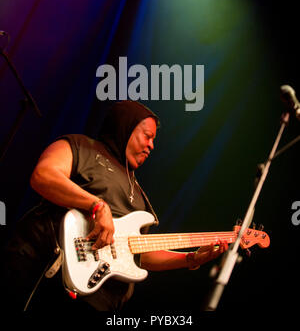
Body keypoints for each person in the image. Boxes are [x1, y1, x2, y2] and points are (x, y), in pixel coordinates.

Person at [2, 100, 227, 312]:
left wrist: (189, 259)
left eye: (154, 140)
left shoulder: (140, 198)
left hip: (99, 302)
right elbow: (44, 175)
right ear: (125, 128)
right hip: (45, 271)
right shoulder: (82, 147)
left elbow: (138, 253)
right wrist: (97, 206)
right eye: (147, 136)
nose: (152, 145)